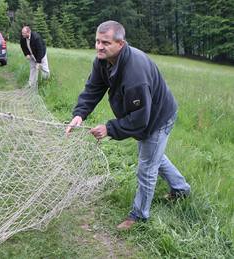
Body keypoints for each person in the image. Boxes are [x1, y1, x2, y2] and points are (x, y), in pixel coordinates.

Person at [65, 21, 191, 230]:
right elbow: (93, 88)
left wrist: (109, 129)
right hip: (145, 115)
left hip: (158, 117)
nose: (99, 46)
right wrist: (80, 115)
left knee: (146, 168)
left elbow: (141, 118)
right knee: (153, 157)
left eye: (105, 42)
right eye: (97, 41)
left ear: (121, 44)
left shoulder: (135, 74)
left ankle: (139, 217)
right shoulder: (103, 61)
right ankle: (181, 189)